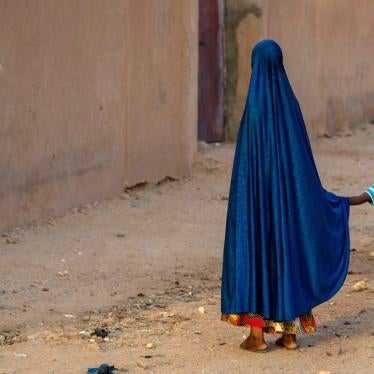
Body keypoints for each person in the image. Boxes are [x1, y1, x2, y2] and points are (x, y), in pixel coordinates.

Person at [220, 39, 373, 353]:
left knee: (256, 251)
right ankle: (289, 335)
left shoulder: (254, 111)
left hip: (258, 208)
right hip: (288, 208)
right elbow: (303, 173)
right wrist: (349, 200)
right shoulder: (290, 108)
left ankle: (257, 337)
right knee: (292, 251)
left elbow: (248, 174)